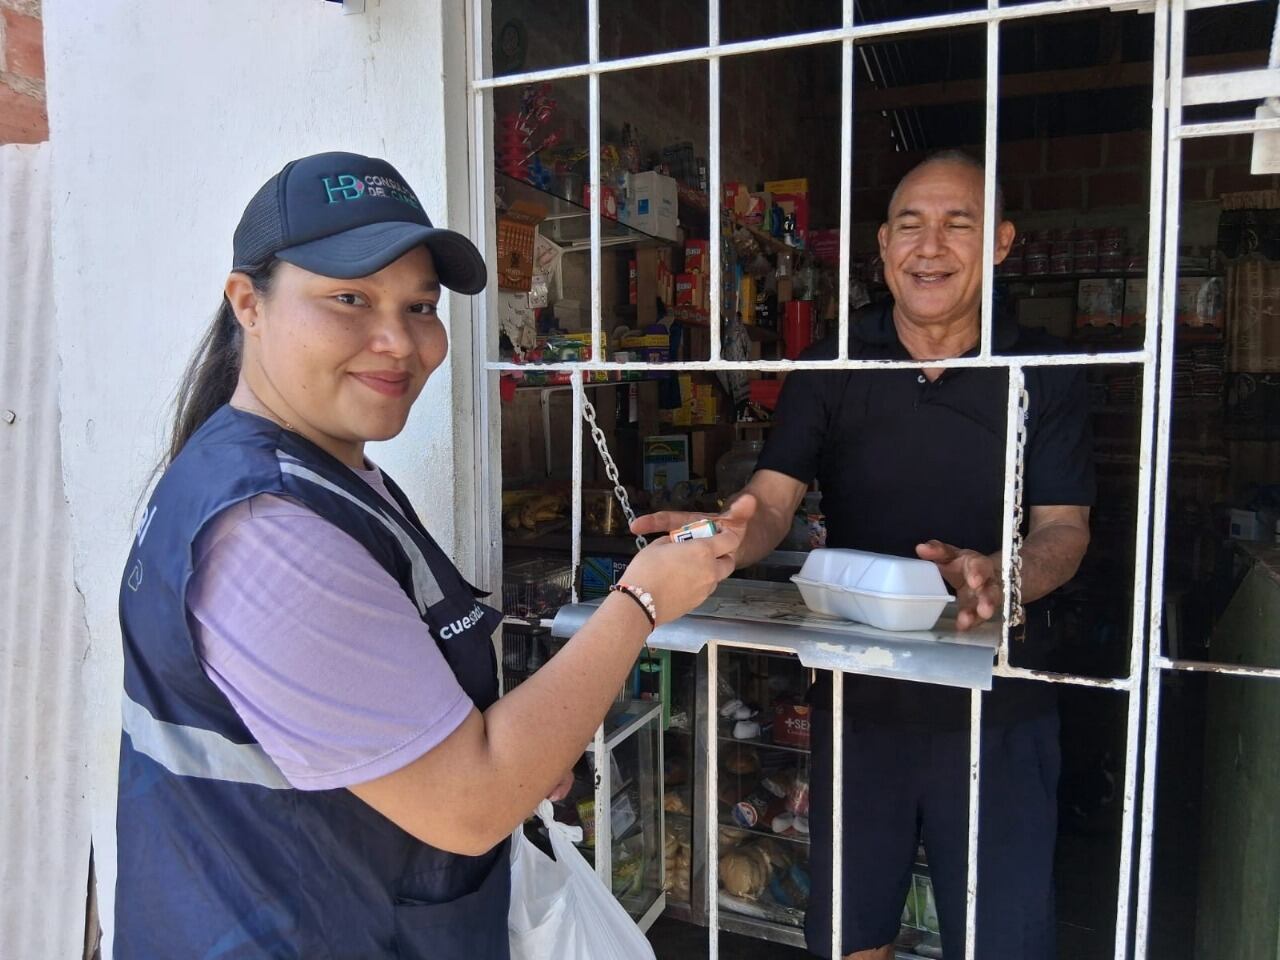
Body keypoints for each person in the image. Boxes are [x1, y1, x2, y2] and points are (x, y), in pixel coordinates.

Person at [115, 150, 751, 959]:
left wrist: (521, 746)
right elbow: (469, 802)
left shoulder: (322, 471)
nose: (398, 342)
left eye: (420, 306)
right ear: (249, 303)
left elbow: (394, 718)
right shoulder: (266, 532)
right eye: (349, 298)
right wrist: (643, 601)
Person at [634, 151, 1093, 960]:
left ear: (1001, 244)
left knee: (1003, 940)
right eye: (910, 224)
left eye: (959, 223)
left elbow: (1066, 528)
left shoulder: (1043, 370)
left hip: (1003, 703)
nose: (930, 245)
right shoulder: (837, 363)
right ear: (882, 247)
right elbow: (773, 501)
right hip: (861, 696)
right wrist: (734, 537)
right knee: (849, 933)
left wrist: (1005, 573)